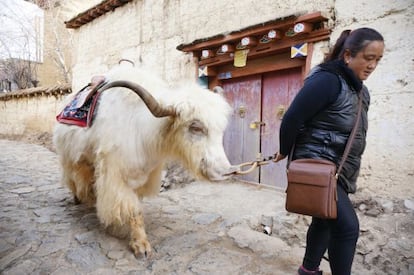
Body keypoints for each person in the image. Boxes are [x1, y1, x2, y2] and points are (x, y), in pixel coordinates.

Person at [272, 28, 385, 275]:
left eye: (378, 59)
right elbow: (292, 117)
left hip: (339, 169)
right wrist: (283, 150)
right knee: (347, 227)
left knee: (324, 218)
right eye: (368, 57)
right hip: (318, 165)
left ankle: (308, 270)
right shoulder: (328, 80)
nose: (373, 65)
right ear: (347, 56)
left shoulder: (361, 91)